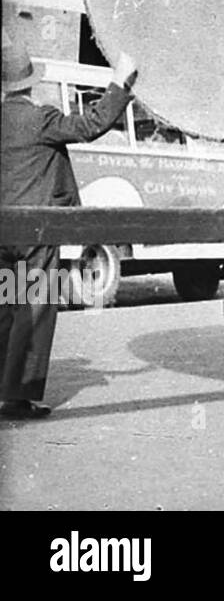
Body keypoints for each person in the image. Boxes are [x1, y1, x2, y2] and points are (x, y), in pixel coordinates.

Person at [0, 32, 137, 420]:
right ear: (30, 83)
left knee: (7, 307)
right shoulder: (39, 118)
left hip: (4, 234)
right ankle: (18, 397)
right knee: (36, 306)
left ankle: (4, 389)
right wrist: (120, 82)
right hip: (36, 233)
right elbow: (91, 124)